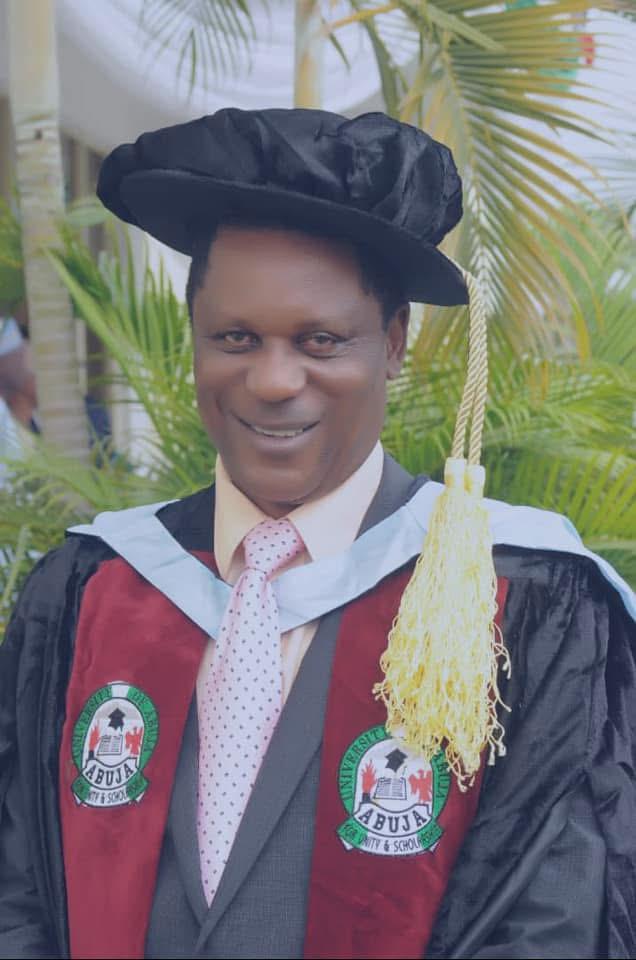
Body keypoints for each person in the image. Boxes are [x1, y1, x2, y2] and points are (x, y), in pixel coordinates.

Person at [0, 108, 634, 960]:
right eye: (235, 337)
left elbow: (557, 917)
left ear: (393, 344)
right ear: (194, 341)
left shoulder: (525, 597)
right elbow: (17, 890)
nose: (272, 380)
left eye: (320, 340)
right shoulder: (91, 588)